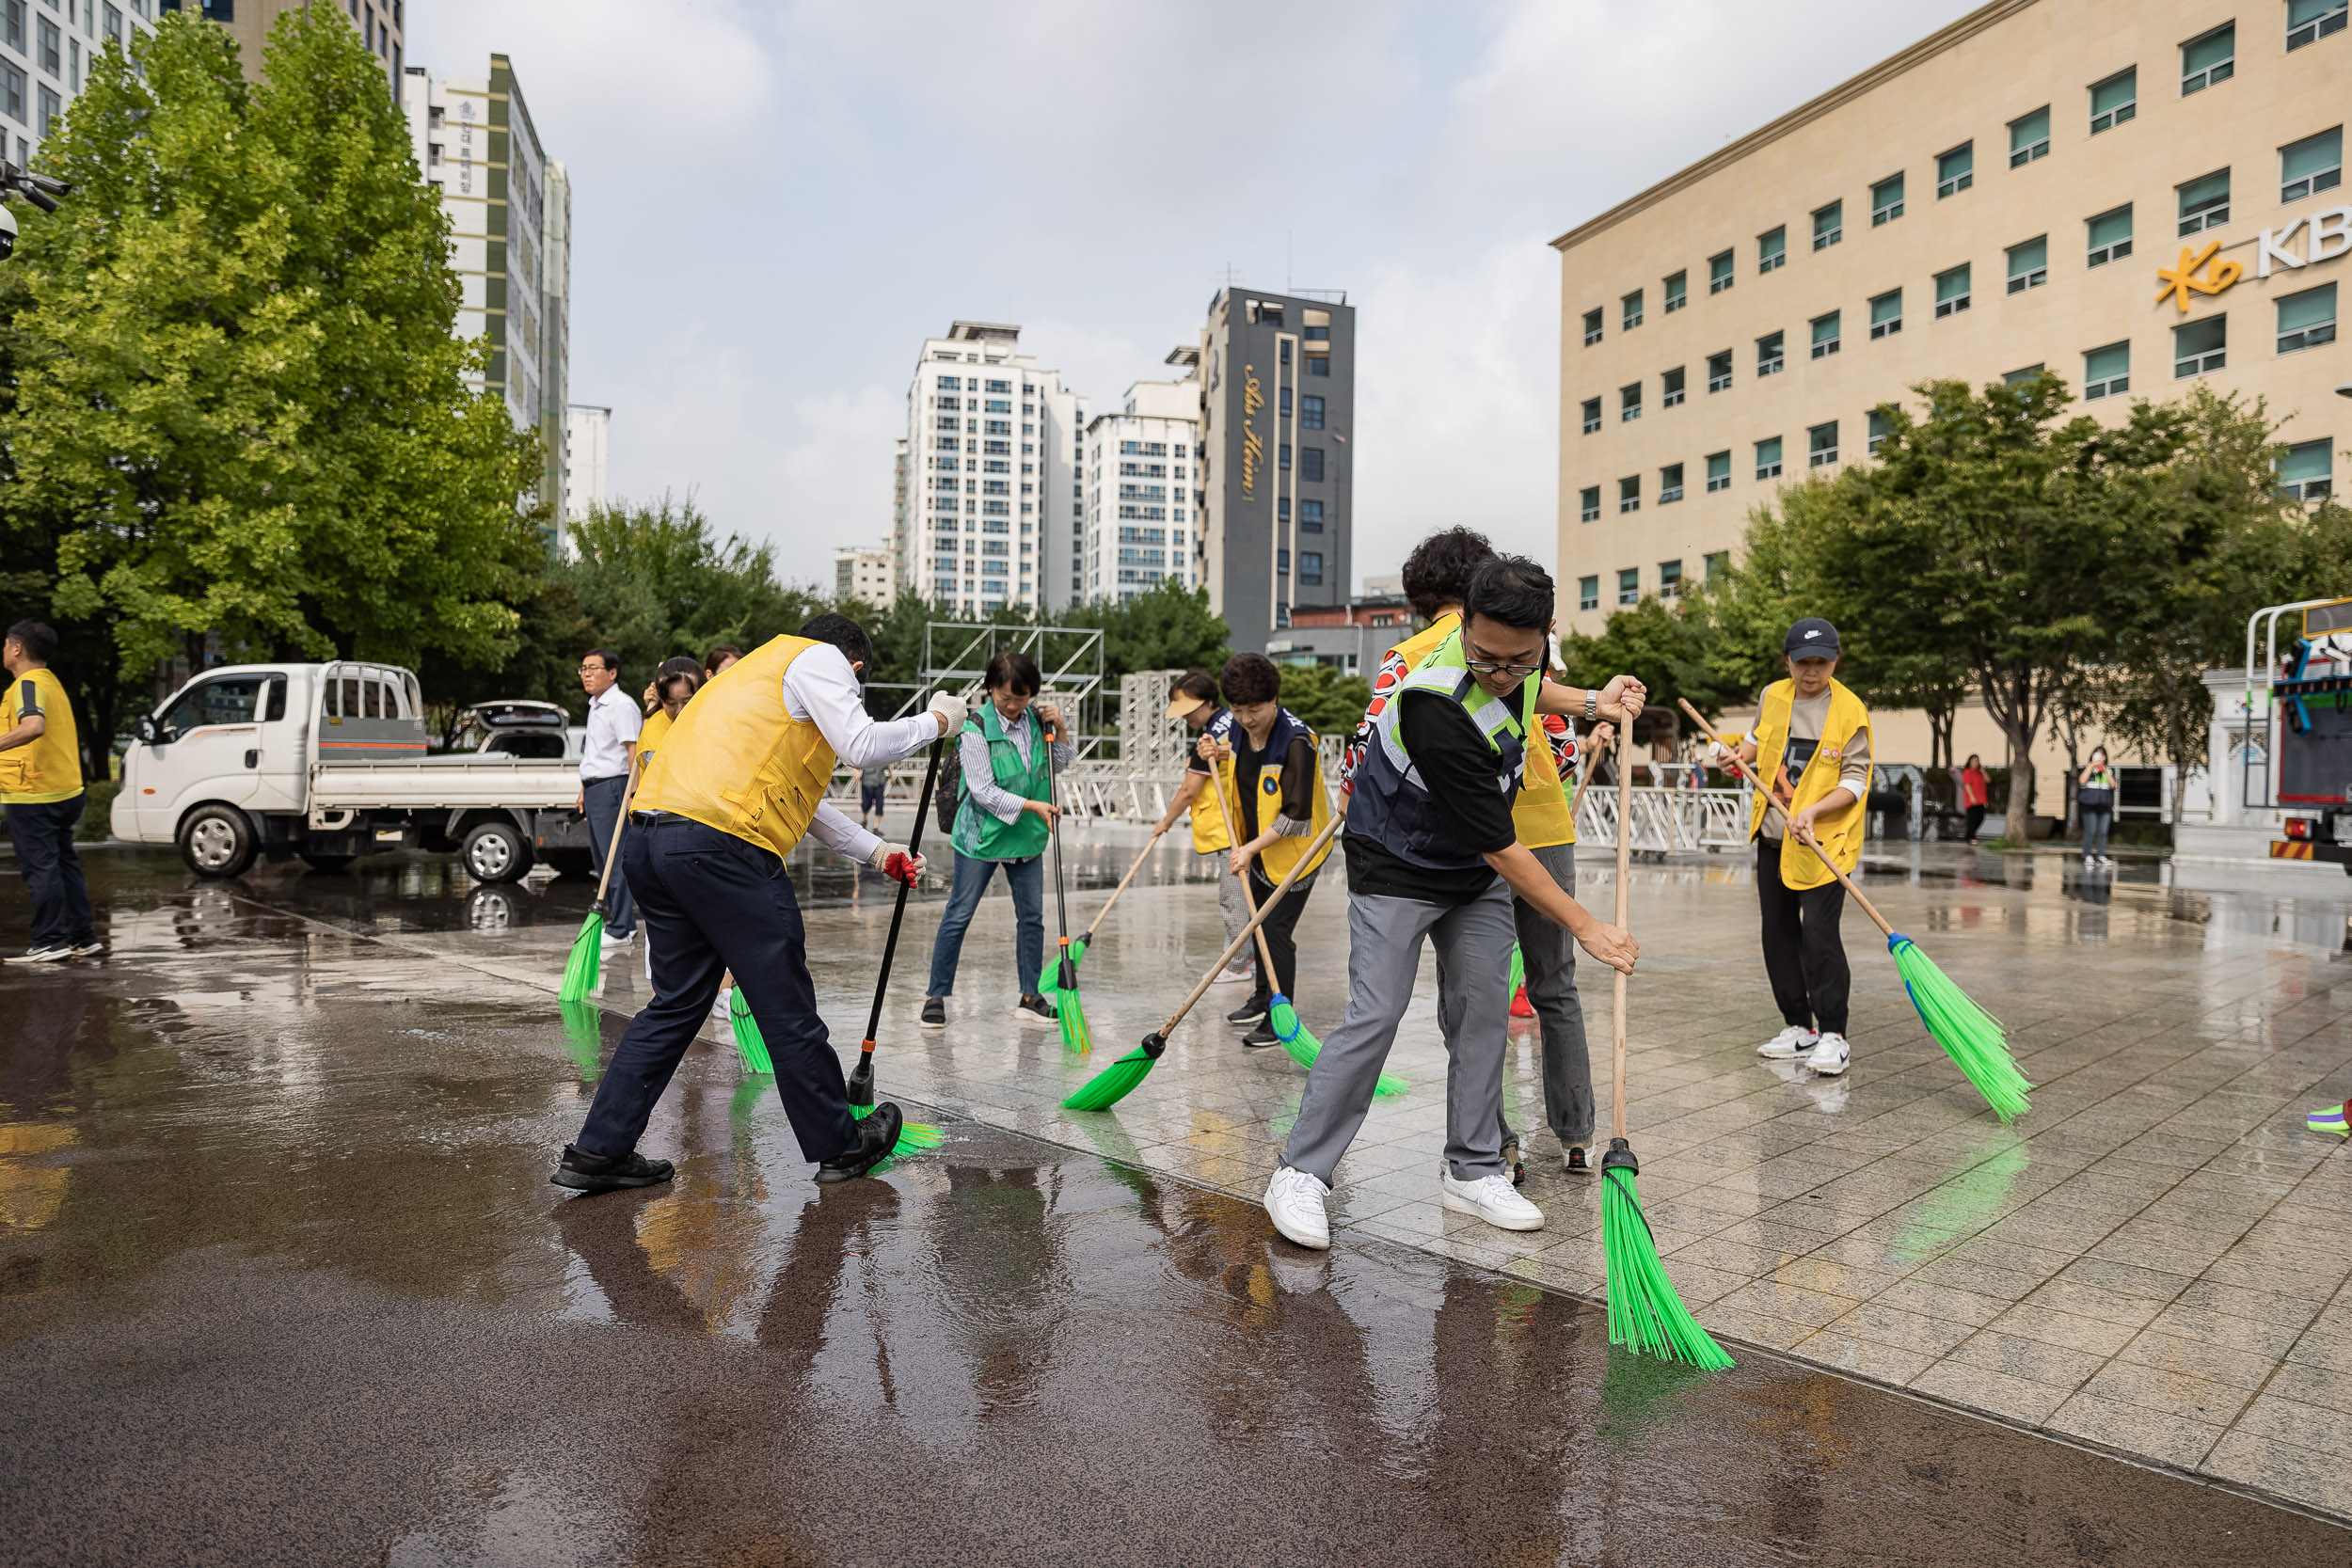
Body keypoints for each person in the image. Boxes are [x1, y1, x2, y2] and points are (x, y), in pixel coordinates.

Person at [1263, 556, 1645, 1250]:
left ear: (1544, 638)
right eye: (1485, 657)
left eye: (1518, 660)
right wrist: (1587, 927)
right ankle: (1301, 1170)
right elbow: (1503, 846)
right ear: (1462, 624)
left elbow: (1534, 694)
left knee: (1480, 1016)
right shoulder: (1434, 698)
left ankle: (1470, 1165)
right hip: (1397, 861)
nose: (1500, 674)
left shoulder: (1524, 665)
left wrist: (1594, 700)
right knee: (1375, 1013)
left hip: (1468, 869)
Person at [550, 613, 958, 1194]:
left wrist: (876, 852)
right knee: (784, 1005)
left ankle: (598, 1149)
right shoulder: (818, 660)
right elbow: (864, 745)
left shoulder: (745, 683)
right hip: (719, 852)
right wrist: (938, 720)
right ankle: (840, 1144)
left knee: (675, 1006)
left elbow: (796, 802)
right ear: (855, 666)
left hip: (655, 842)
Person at [1717, 618, 1873, 1078]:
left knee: (1820, 934)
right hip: (1772, 835)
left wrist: (1816, 811)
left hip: (1825, 842)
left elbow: (1856, 779)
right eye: (1802, 662)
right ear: (1787, 660)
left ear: (1835, 660)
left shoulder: (1850, 711)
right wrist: (1731, 756)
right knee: (1778, 932)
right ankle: (1799, 1026)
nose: (1811, 671)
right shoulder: (1772, 696)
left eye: (1821, 662)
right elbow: (1751, 745)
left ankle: (1834, 1034)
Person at [921, 651, 1074, 1029]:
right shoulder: (974, 729)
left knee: (1032, 919)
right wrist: (1035, 805)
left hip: (1026, 837)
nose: (1013, 706)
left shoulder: (1037, 723)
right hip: (982, 837)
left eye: (1022, 698)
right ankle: (935, 996)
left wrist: (1063, 730)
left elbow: (1055, 766)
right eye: (1006, 698)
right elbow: (982, 791)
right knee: (959, 915)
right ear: (990, 690)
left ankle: (1029, 995)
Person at [1196, 653, 1334, 1048]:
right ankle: (1261, 996)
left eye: (1254, 710)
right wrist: (1215, 751)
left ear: (1274, 699)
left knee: (1274, 932)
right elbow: (1241, 759)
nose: (1246, 719)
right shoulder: (1240, 729)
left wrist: (1250, 850)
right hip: (1255, 848)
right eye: (1238, 710)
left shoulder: (1297, 743)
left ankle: (1279, 1015)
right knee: (1256, 925)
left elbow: (1296, 818)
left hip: (1296, 856)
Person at [1, 621, 100, 963]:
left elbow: (33, 726)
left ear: (17, 649)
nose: (3, 650)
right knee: (63, 864)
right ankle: (82, 938)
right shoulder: (51, 682)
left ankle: (49, 941)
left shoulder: (27, 684)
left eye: (5, 644)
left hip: (35, 792)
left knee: (41, 867)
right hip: (65, 790)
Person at [1153, 670, 1253, 986]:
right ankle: (1239, 955)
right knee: (1243, 896)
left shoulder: (1210, 738)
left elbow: (1189, 790)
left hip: (1230, 831)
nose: (1185, 718)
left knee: (1233, 897)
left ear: (1208, 702)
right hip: (1244, 825)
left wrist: (1166, 821)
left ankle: (1238, 964)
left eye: (1188, 710)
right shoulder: (1230, 724)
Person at [576, 649, 643, 956]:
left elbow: (633, 752)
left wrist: (632, 794)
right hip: (595, 789)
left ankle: (622, 927)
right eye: (583, 669)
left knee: (616, 860)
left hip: (615, 787)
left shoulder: (621, 705)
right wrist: (583, 790)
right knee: (603, 861)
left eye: (593, 668)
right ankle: (619, 922)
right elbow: (595, 755)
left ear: (612, 673)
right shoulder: (596, 706)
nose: (586, 674)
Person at [2077, 746, 2117, 867]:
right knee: (2091, 830)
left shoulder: (2109, 770)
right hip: (2089, 805)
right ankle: (2087, 855)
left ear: (2105, 757)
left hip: (2104, 805)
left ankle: (2101, 855)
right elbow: (2082, 781)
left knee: (2103, 832)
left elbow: (2113, 785)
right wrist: (2091, 766)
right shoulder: (2087, 768)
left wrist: (2104, 770)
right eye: (2097, 754)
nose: (2100, 757)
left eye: (2102, 755)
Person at [1960, 754, 1989, 844]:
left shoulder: (1980, 772)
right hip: (1972, 799)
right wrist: (1972, 797)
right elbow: (1967, 785)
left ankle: (1968, 835)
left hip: (1981, 799)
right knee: (1972, 818)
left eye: (1977, 761)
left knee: (1980, 818)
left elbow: (1988, 780)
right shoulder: (1967, 772)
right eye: (1974, 761)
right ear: (1969, 762)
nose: (1976, 762)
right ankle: (1972, 837)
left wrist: (1983, 772)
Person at [858, 760, 889, 832]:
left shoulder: (883, 751)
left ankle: (876, 827)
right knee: (866, 804)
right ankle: (864, 820)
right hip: (867, 782)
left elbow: (888, 763)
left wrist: (891, 776)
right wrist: (856, 772)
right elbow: (855, 761)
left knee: (880, 804)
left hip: (880, 782)